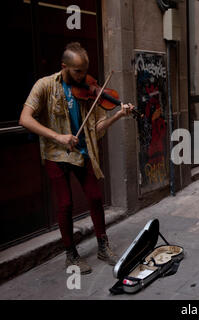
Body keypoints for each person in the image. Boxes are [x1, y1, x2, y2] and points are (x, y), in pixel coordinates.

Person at [19, 42, 136, 274]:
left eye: (85, 71)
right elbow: (25, 118)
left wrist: (118, 115)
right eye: (78, 72)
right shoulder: (44, 86)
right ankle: (71, 254)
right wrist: (58, 137)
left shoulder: (89, 90)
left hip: (83, 152)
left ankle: (103, 246)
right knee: (65, 204)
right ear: (64, 67)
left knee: (95, 197)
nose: (84, 77)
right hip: (56, 154)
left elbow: (98, 127)